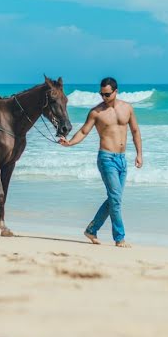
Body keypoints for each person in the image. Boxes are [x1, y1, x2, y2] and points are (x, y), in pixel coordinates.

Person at [59, 77, 143, 247]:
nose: (103, 97)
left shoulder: (127, 108)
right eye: (101, 94)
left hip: (121, 159)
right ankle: (119, 238)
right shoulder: (96, 112)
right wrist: (70, 143)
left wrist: (139, 154)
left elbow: (135, 131)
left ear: (116, 91)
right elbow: (83, 131)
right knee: (116, 199)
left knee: (115, 198)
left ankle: (91, 229)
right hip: (106, 158)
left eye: (107, 94)